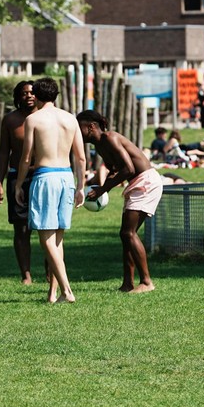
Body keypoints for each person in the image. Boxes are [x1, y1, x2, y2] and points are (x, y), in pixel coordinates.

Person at [14, 77, 85, 304]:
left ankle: (66, 290)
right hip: (66, 177)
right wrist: (81, 186)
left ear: (37, 95)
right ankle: (53, 293)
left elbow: (26, 158)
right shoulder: (70, 119)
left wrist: (18, 184)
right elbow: (81, 157)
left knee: (46, 238)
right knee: (57, 241)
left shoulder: (33, 119)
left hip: (45, 177)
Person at [77, 110, 164, 293]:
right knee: (126, 235)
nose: (78, 132)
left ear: (92, 126)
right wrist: (103, 184)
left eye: (80, 127)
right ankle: (127, 284)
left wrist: (103, 189)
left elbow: (129, 168)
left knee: (128, 233)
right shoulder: (99, 146)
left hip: (146, 181)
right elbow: (117, 170)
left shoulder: (110, 138)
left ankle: (147, 282)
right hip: (137, 182)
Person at [0, 81, 37, 284]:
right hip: (16, 177)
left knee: (48, 227)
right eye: (24, 93)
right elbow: (4, 152)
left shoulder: (45, 118)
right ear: (18, 97)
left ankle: (50, 273)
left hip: (42, 176)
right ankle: (26, 274)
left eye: (32, 92)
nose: (28, 95)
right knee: (21, 228)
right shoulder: (10, 120)